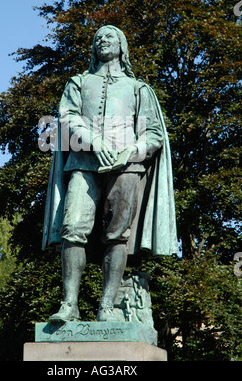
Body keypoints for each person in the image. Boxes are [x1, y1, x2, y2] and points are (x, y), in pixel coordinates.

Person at [42, 25, 178, 322]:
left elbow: (154, 134)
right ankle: (69, 304)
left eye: (109, 37)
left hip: (128, 167)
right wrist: (95, 142)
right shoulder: (78, 83)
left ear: (122, 46)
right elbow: (66, 117)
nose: (102, 40)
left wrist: (131, 151)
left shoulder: (139, 89)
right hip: (83, 163)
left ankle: (107, 305)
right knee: (73, 227)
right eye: (97, 38)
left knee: (118, 236)